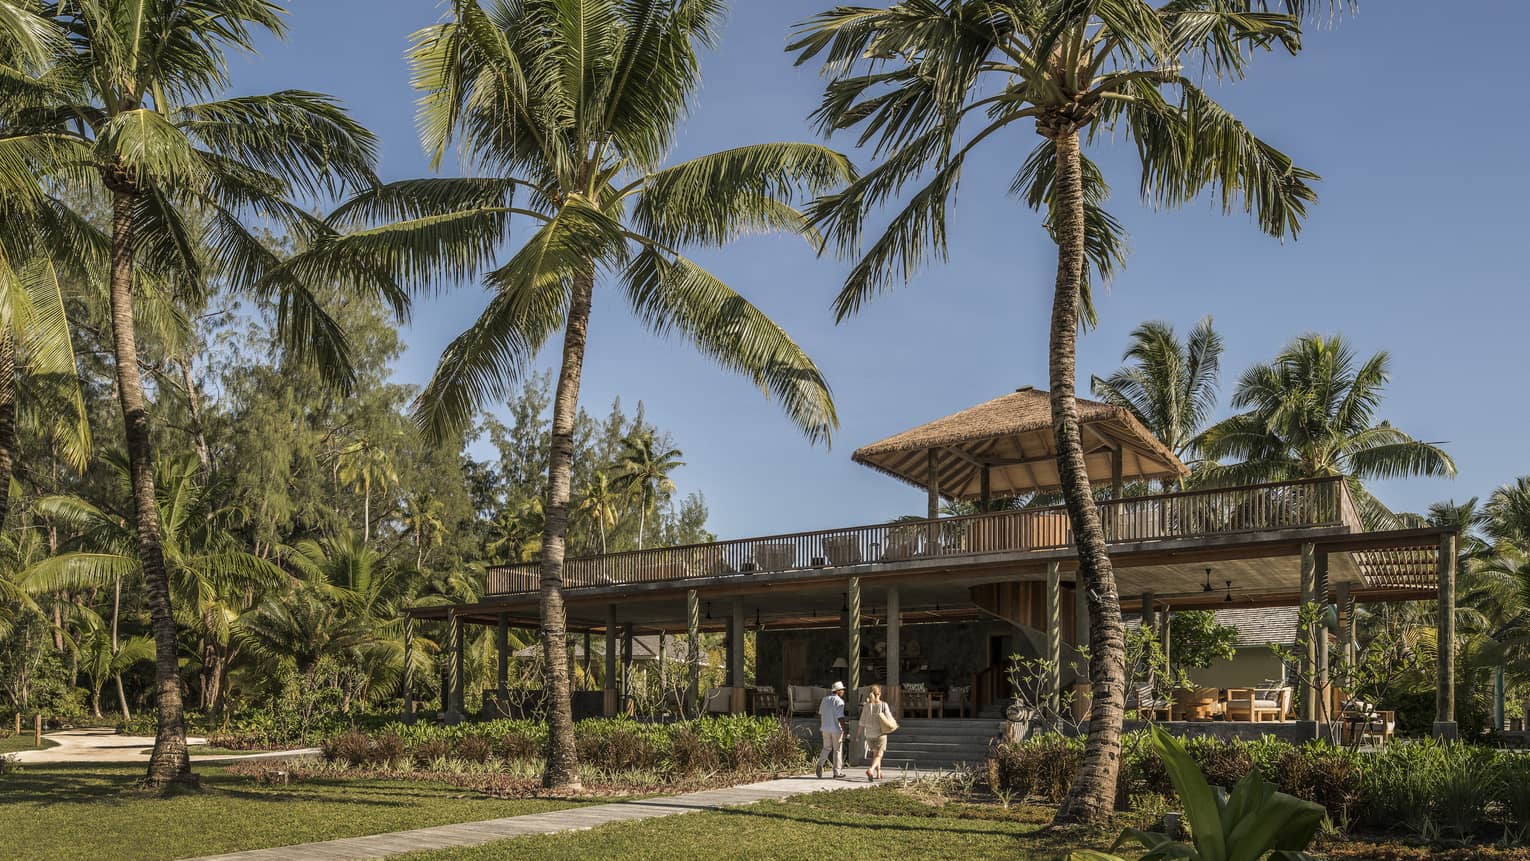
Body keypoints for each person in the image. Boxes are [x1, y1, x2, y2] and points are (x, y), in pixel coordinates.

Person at [857, 684, 894, 781]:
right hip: (880, 733)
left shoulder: (866, 706)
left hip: (869, 735)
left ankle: (878, 773)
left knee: (875, 754)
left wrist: (858, 735)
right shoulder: (883, 704)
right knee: (879, 755)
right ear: (880, 694)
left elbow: (861, 722)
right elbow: (889, 718)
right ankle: (871, 769)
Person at [815, 681, 847, 778]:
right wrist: (845, 729)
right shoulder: (840, 701)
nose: (843, 692)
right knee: (837, 750)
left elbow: (819, 714)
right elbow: (840, 717)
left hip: (825, 728)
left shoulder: (824, 699)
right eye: (842, 690)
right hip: (836, 729)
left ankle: (820, 764)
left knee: (826, 748)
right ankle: (837, 772)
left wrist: (823, 724)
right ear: (838, 691)